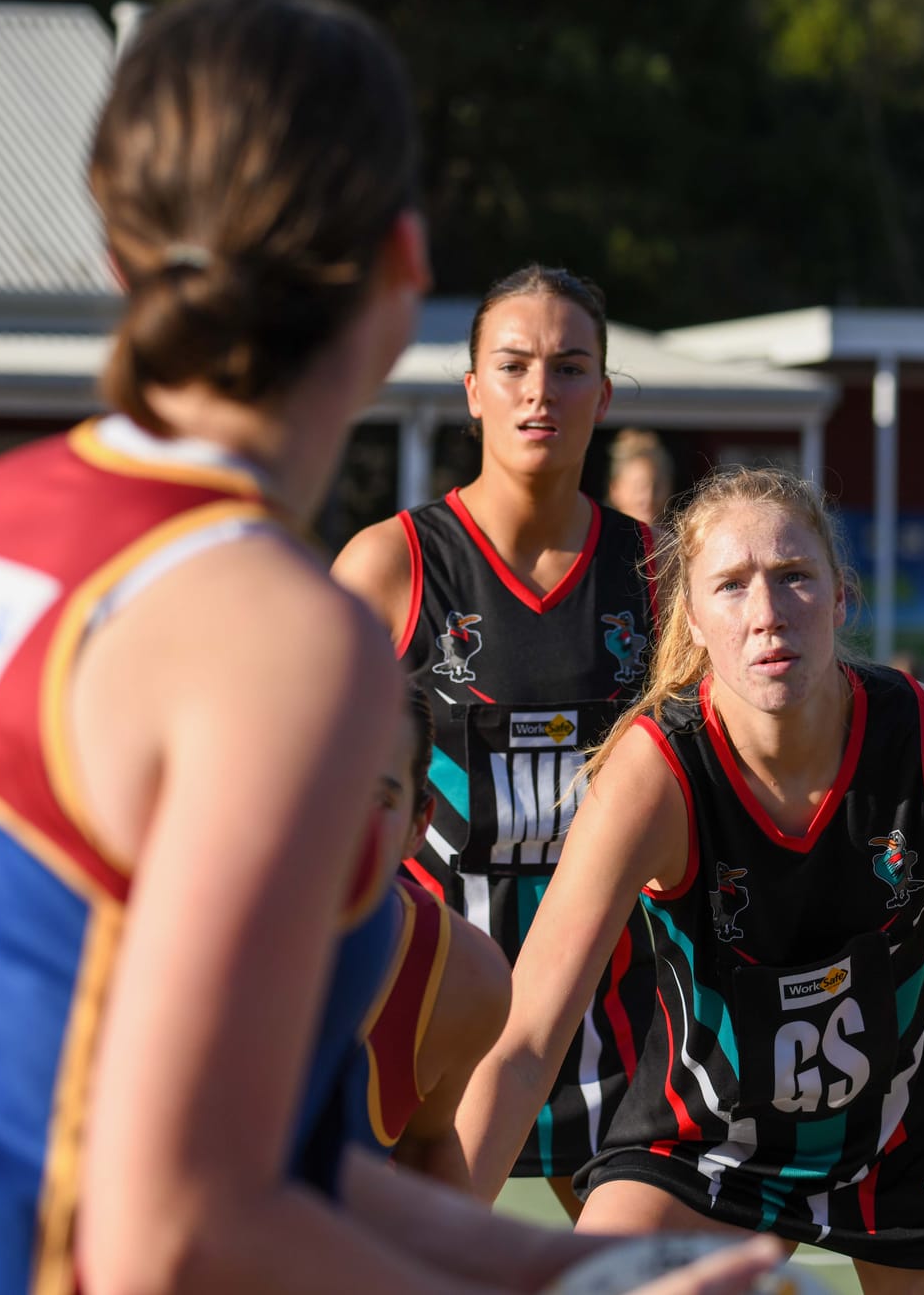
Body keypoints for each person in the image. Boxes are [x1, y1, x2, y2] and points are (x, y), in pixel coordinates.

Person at [0, 0, 783, 1295]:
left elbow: (148, 1135)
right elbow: (175, 1229)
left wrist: (568, 1277)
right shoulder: (274, 638)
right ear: (406, 266)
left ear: (115, 252)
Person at [455, 468, 924, 1295]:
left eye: (794, 577)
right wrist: (420, 1251)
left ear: (842, 598)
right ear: (694, 619)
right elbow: (526, 1045)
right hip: (714, 1140)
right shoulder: (653, 777)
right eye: (732, 586)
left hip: (921, 1137)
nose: (767, 614)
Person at [334, 263, 660, 1218]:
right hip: (439, 1014)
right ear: (472, 388)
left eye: (568, 368)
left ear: (602, 392)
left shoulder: (658, 573)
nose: (538, 391)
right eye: (512, 365)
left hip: (617, 1021)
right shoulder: (389, 565)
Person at [339, 684, 515, 1187]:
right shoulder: (168, 946)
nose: (343, 821)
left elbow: (426, 1143)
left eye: (376, 798)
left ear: (419, 825)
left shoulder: (458, 981)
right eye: (320, 780)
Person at [609, 427, 675, 527]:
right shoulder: (603, 540)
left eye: (657, 487)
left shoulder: (681, 541)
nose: (649, 497)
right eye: (639, 487)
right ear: (615, 489)